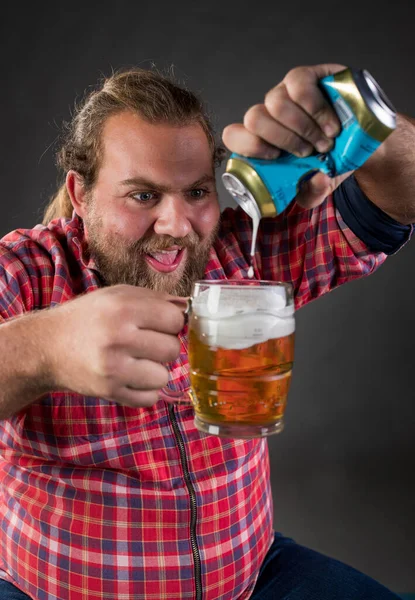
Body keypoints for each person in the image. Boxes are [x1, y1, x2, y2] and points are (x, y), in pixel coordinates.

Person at [0, 62, 413, 600]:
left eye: (196, 192)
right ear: (81, 194)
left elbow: (401, 195)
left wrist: (361, 118)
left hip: (254, 579)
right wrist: (48, 347)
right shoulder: (29, 269)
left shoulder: (244, 248)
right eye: (143, 196)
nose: (177, 225)